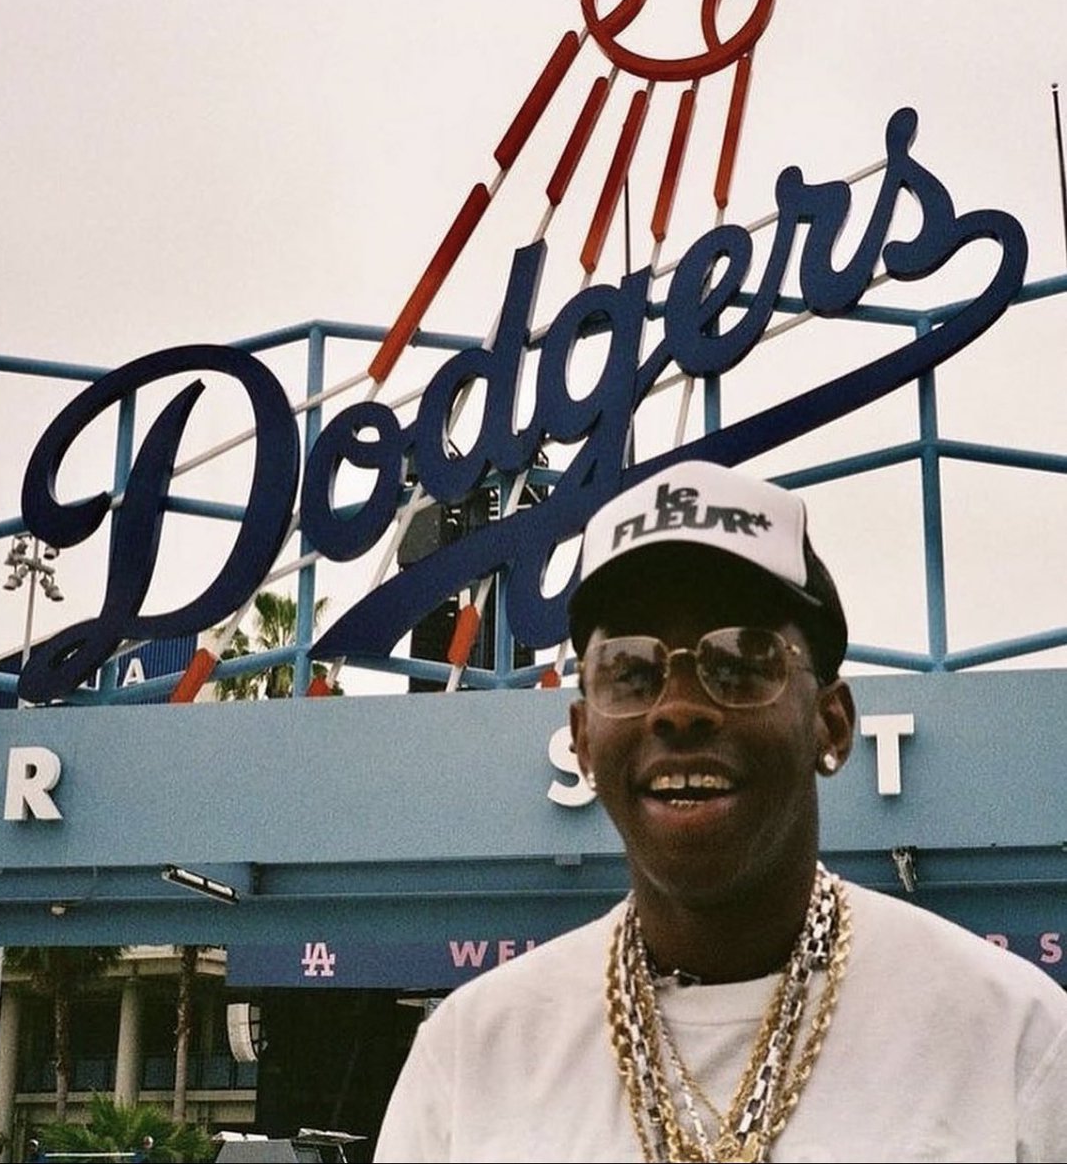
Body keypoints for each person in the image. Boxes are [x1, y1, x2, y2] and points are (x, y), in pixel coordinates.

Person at [373, 459, 1067, 1162]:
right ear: (583, 740)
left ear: (831, 724)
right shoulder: (471, 1056)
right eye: (631, 671)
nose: (678, 709)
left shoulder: (1014, 1042)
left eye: (740, 662)